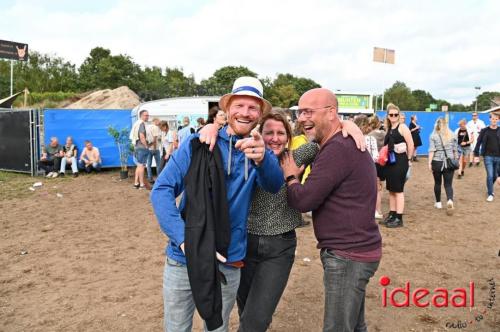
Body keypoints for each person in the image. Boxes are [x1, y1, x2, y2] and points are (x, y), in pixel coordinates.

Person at [150, 76, 284, 332]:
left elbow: (274, 185)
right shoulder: (198, 144)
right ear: (227, 108)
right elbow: (161, 190)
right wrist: (184, 239)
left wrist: (263, 159)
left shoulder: (258, 150)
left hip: (229, 258)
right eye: (239, 105)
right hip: (184, 258)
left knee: (217, 328)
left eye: (252, 107)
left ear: (259, 115)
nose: (245, 113)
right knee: (176, 327)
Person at [281, 88, 382, 332]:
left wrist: (291, 177)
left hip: (348, 255)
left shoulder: (338, 148)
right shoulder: (334, 143)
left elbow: (304, 201)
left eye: (308, 111)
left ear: (331, 113)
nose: (302, 118)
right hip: (356, 250)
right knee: (354, 326)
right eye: (299, 113)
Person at [237, 109, 319, 332]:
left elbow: (325, 140)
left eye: (281, 133)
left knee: (256, 319)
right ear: (259, 134)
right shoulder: (246, 160)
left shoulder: (294, 158)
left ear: (289, 137)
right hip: (244, 244)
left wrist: (349, 126)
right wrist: (211, 126)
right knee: (246, 312)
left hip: (279, 247)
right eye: (269, 132)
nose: (275, 138)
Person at [380, 103, 414, 228]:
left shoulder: (403, 127)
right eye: (391, 114)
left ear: (399, 115)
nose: (393, 116)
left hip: (400, 161)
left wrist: (409, 159)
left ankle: (399, 218)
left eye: (396, 114)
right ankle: (392, 214)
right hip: (390, 161)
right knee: (391, 190)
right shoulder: (389, 128)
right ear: (388, 116)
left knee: (398, 190)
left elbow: (410, 144)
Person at [428, 117, 458, 214]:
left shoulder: (433, 136)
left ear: (437, 125)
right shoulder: (452, 134)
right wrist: (456, 160)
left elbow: (432, 151)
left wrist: (429, 163)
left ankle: (438, 203)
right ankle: (449, 200)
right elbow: (455, 150)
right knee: (448, 184)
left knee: (437, 183)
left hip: (437, 162)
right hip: (449, 162)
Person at [355, 116, 381, 220]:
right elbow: (376, 157)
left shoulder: (350, 138)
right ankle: (371, 212)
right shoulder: (371, 139)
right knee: (370, 193)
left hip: (354, 170)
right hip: (369, 170)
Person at [473, 112, 500, 202]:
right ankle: (490, 193)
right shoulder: (484, 130)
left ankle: (489, 186)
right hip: (488, 156)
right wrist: (476, 154)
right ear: (489, 119)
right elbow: (478, 142)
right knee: (490, 175)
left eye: (496, 119)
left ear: (498, 120)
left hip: (498, 157)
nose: (494, 120)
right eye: (492, 119)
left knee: (495, 177)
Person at [130, 110, 150, 189]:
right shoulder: (141, 124)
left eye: (148, 115)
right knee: (141, 166)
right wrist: (146, 146)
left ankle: (136, 183)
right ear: (141, 116)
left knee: (139, 165)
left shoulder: (136, 123)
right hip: (141, 147)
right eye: (145, 115)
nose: (147, 117)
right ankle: (142, 184)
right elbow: (142, 136)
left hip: (136, 147)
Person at [146, 117, 162, 183]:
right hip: (155, 148)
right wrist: (155, 148)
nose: (159, 123)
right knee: (158, 164)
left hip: (148, 148)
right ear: (155, 121)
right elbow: (155, 139)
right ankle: (159, 178)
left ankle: (150, 178)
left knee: (148, 164)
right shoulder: (155, 127)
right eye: (158, 121)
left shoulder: (148, 127)